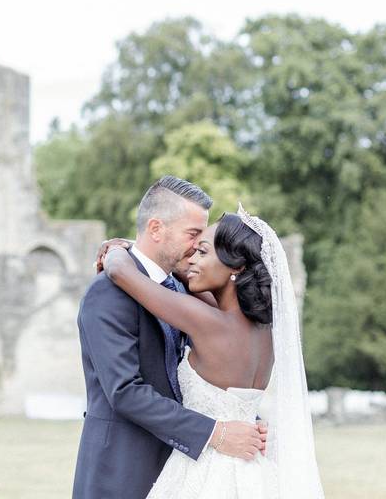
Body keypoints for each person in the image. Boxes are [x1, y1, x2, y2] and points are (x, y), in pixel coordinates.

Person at [100, 205, 325, 498]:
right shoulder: (265, 330)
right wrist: (141, 248)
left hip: (205, 469)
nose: (192, 258)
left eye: (202, 252)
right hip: (252, 469)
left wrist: (118, 248)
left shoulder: (207, 321)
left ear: (237, 267)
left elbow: (120, 271)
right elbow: (184, 272)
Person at [72, 176, 267, 499]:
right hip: (121, 473)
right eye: (192, 234)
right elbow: (124, 391)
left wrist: (241, 416)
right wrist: (215, 433)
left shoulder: (184, 291)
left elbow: (213, 371)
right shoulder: (106, 292)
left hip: (184, 471)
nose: (198, 246)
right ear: (156, 229)